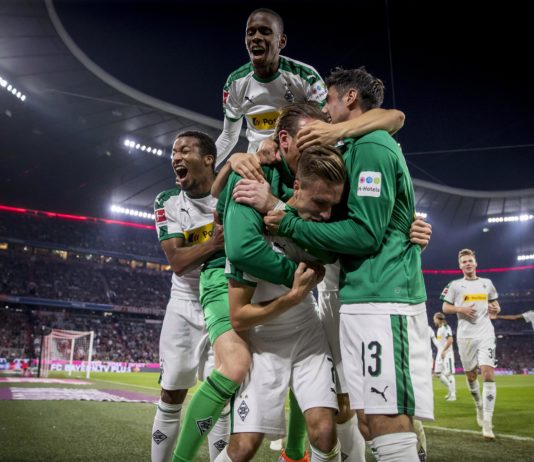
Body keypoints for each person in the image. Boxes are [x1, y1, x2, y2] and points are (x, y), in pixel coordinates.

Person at [263, 67, 433, 462]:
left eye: (329, 100)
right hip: (353, 294)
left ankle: (413, 443)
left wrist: (288, 223)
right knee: (364, 415)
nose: (324, 110)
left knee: (385, 417)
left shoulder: (371, 145)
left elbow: (367, 233)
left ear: (350, 98)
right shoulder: (348, 148)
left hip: (382, 296)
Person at [216, 145, 348, 462]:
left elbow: (338, 251)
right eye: (319, 202)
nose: (326, 214)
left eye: (331, 206)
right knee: (244, 447)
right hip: (262, 342)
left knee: (325, 432)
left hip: (308, 337)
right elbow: (239, 317)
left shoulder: (314, 229)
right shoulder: (249, 227)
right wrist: (292, 297)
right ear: (297, 187)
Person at [214, 8, 405, 170]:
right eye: (250, 33)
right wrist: (211, 164)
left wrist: (336, 133)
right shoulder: (235, 83)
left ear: (281, 41)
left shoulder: (306, 77)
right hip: (256, 163)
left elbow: (329, 122)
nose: (256, 37)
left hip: (298, 165)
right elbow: (229, 135)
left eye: (265, 32)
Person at [151, 131, 229, 462]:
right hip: (184, 302)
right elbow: (177, 262)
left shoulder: (231, 192)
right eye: (174, 152)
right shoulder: (166, 201)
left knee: (221, 398)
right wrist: (214, 244)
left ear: (208, 159)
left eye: (185, 151)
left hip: (224, 299)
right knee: (172, 393)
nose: (176, 157)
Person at [440, 248, 501, 440]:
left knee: (488, 374)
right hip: (465, 336)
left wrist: (496, 309)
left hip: (485, 333)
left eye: (470, 260)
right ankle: (478, 406)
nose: (467, 263)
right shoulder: (455, 285)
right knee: (471, 375)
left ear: (475, 263)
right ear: (460, 266)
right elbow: (445, 307)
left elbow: (495, 305)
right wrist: (461, 309)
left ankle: (488, 422)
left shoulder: (487, 283)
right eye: (464, 261)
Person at [433, 312, 457, 401]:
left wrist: (444, 351)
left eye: (434, 319)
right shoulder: (439, 329)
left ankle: (453, 395)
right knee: (438, 374)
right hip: (440, 353)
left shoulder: (446, 327)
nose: (434, 321)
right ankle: (450, 390)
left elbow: (450, 340)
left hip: (447, 353)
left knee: (449, 374)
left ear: (438, 319)